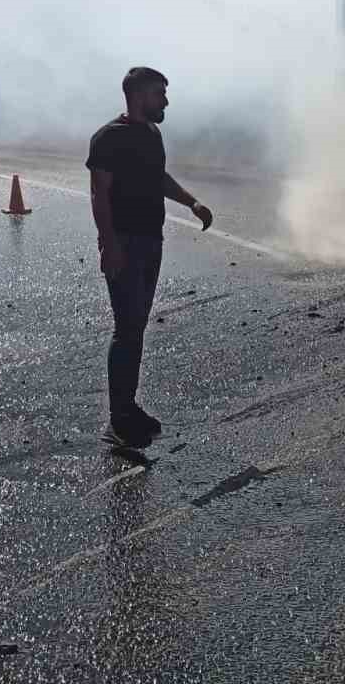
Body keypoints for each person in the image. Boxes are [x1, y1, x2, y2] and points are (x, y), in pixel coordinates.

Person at [87, 66, 214, 447]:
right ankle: (118, 420)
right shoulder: (108, 137)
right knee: (126, 328)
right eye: (160, 94)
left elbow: (158, 178)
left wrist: (192, 202)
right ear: (139, 95)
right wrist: (109, 244)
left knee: (137, 327)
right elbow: (99, 193)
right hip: (124, 243)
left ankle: (128, 407)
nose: (166, 102)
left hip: (150, 241)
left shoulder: (152, 134)